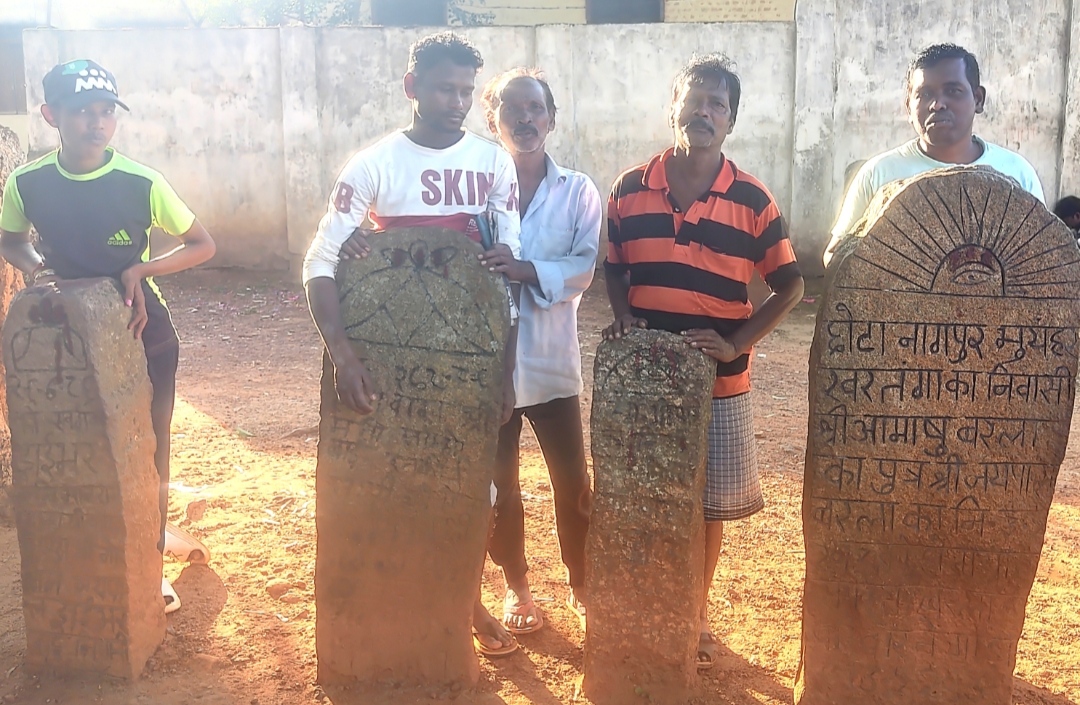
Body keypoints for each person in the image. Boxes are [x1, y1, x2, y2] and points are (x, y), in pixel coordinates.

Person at [302, 32, 522, 657]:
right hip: (385, 355)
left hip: (467, 357)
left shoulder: (493, 164)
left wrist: (505, 373)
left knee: (467, 488)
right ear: (411, 88)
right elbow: (319, 261)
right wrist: (343, 356)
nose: (457, 102)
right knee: (391, 481)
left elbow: (506, 278)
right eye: (444, 89)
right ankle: (392, 615)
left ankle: (464, 603)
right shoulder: (374, 165)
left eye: (465, 91)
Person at [601, 55, 803, 670]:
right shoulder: (629, 189)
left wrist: (738, 342)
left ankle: (694, 610)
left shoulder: (752, 199)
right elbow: (615, 265)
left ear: (731, 120)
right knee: (644, 496)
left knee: (707, 506)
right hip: (644, 384)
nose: (704, 112)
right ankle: (644, 609)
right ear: (674, 108)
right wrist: (623, 313)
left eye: (718, 104)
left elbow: (790, 286)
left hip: (719, 383)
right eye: (694, 100)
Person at [0, 59, 217, 613]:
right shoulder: (27, 183)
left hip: (141, 332)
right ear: (51, 115)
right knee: (78, 442)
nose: (96, 123)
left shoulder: (141, 182)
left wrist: (142, 269)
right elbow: (10, 238)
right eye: (81, 112)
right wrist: (37, 268)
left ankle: (148, 561)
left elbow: (202, 244)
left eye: (106, 112)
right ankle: (94, 549)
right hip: (62, 339)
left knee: (147, 447)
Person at [476, 68, 600, 634]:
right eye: (512, 108)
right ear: (493, 118)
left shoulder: (577, 190)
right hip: (489, 368)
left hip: (551, 364)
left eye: (535, 108)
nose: (525, 118)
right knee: (499, 484)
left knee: (572, 483)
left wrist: (523, 269)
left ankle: (581, 582)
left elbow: (582, 268)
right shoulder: (475, 192)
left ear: (551, 119)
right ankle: (517, 585)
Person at [825, 43, 1045, 266]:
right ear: (908, 107)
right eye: (925, 94)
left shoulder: (1016, 172)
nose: (937, 104)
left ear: (978, 99)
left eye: (953, 91)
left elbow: (1041, 257)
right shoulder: (879, 173)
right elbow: (834, 257)